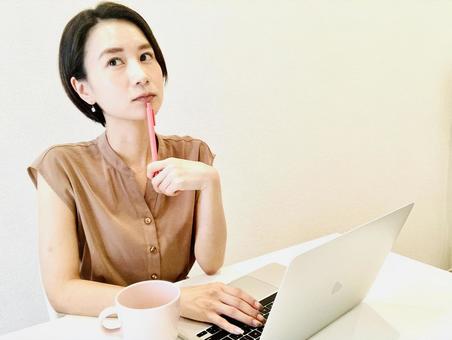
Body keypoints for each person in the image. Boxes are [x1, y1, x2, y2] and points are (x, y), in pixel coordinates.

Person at [27, 2, 265, 335]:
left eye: (145, 56)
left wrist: (211, 182)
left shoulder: (192, 152)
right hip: (110, 328)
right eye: (114, 61)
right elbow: (62, 291)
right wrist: (176, 298)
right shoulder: (62, 167)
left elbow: (210, 264)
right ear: (84, 88)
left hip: (181, 326)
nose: (141, 75)